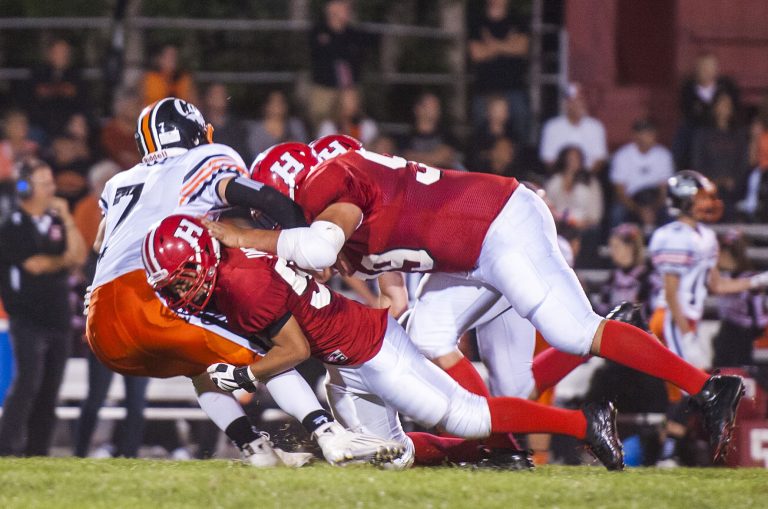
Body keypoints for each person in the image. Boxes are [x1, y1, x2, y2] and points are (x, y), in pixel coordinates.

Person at [206, 139, 749, 463]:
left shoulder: (328, 180)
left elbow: (321, 241)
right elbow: (362, 265)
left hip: (497, 225)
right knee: (429, 334)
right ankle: (508, 446)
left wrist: (248, 240)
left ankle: (708, 388)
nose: (271, 219)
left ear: (289, 183)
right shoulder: (337, 185)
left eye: (273, 209)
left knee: (571, 331)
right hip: (469, 250)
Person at [145, 214, 624, 470]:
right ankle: (487, 457)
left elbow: (294, 352)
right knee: (388, 457)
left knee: (469, 415)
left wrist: (246, 376)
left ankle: (585, 422)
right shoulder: (232, 264)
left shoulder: (242, 285)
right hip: (343, 360)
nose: (181, 289)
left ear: (205, 255)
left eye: (184, 275)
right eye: (171, 282)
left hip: (371, 347)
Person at [85, 97, 401, 467]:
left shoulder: (120, 181)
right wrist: (302, 244)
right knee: (270, 347)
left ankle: (253, 448)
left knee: (200, 364)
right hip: (153, 294)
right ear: (195, 133)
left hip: (101, 325)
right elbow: (263, 198)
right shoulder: (201, 160)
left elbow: (99, 242)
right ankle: (329, 435)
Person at [647, 171, 768, 465]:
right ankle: (667, 454)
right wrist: (685, 333)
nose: (708, 202)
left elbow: (717, 286)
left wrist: (756, 281)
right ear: (684, 201)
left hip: (686, 320)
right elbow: (672, 291)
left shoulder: (705, 237)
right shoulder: (672, 236)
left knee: (685, 389)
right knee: (691, 382)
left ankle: (669, 453)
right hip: (672, 318)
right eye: (701, 197)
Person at [0, 158, 86, 455]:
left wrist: (68, 219)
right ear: (26, 188)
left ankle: (38, 452)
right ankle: (6, 448)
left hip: (58, 318)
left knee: (50, 392)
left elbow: (78, 256)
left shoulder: (58, 220)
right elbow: (33, 266)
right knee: (27, 385)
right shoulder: (11, 227)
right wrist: (62, 262)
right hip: (27, 318)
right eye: (45, 182)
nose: (53, 188)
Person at [467, 0, 530, 140]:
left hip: (514, 88)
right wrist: (507, 44)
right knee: (480, 134)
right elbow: (476, 54)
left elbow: (522, 48)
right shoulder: (477, 22)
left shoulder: (518, 20)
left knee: (521, 132)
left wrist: (492, 45)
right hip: (485, 89)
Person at [711, 229, 768, 367]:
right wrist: (757, 280)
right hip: (729, 329)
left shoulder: (747, 276)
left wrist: (755, 282)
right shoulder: (725, 277)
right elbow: (720, 286)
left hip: (745, 332)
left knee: (740, 370)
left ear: (726, 253)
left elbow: (757, 314)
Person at [308, 0, 368, 128]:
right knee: (322, 121)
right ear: (331, 8)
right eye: (343, 5)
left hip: (349, 87)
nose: (347, 9)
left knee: (353, 119)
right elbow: (320, 55)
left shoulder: (353, 34)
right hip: (324, 85)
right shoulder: (318, 30)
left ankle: (352, 144)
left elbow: (357, 58)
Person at [691, 92, 749, 219]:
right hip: (708, 189)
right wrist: (713, 181)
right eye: (721, 104)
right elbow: (698, 163)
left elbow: (743, 162)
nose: (724, 108)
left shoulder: (739, 134)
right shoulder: (702, 134)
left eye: (727, 105)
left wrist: (733, 180)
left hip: (734, 189)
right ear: (714, 107)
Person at [610, 119, 674, 230]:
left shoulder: (664, 155)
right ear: (635, 136)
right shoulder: (622, 156)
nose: (650, 137)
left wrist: (653, 209)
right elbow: (620, 192)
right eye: (646, 134)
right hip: (631, 200)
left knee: (672, 212)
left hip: (655, 199)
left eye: (652, 133)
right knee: (617, 213)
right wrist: (640, 210)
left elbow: (664, 191)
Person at [539, 83, 607, 173]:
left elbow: (599, 159)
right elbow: (548, 159)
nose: (579, 104)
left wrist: (583, 178)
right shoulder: (552, 127)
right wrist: (565, 179)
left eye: (581, 100)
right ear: (566, 104)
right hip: (559, 177)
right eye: (573, 101)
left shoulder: (596, 127)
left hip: (587, 178)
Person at [544, 146, 603, 231]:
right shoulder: (554, 181)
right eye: (569, 159)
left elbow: (595, 214)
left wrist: (581, 224)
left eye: (576, 158)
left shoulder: (591, 182)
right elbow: (547, 206)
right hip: (556, 226)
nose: (572, 162)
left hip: (583, 227)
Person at [400, 93, 460, 169]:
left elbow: (444, 157)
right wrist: (433, 158)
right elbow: (406, 158)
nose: (436, 109)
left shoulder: (447, 135)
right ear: (418, 109)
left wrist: (417, 158)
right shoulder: (406, 137)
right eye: (431, 105)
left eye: (437, 106)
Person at [247, 90, 309, 158]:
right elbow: (254, 155)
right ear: (266, 106)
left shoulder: (295, 126)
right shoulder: (257, 131)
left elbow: (304, 149)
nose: (278, 106)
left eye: (281, 102)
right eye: (274, 103)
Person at [201, 83, 250, 161]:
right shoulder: (200, 127)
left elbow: (244, 156)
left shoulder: (237, 128)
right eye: (215, 94)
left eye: (222, 95)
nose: (219, 98)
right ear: (207, 98)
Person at [100, 88, 144, 170]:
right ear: (119, 106)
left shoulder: (145, 130)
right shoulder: (109, 129)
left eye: (138, 104)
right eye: (131, 104)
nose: (135, 109)